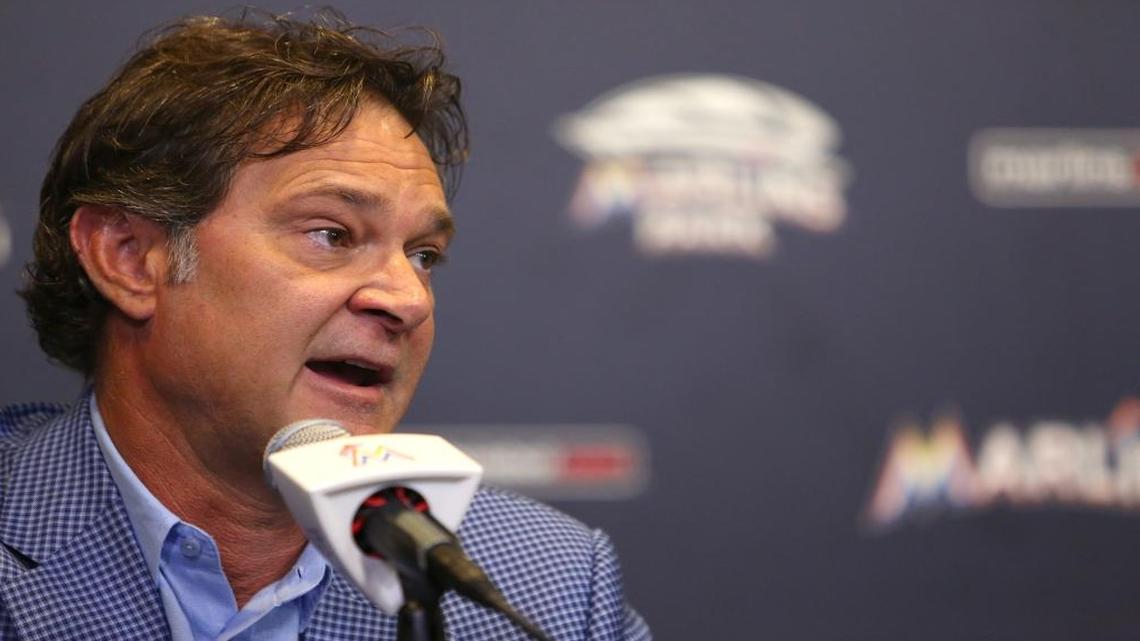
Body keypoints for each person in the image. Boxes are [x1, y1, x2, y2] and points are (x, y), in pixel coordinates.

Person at [0, 10, 650, 641]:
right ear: (130, 258)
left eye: (423, 255)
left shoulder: (549, 586)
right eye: (331, 233)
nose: (408, 299)